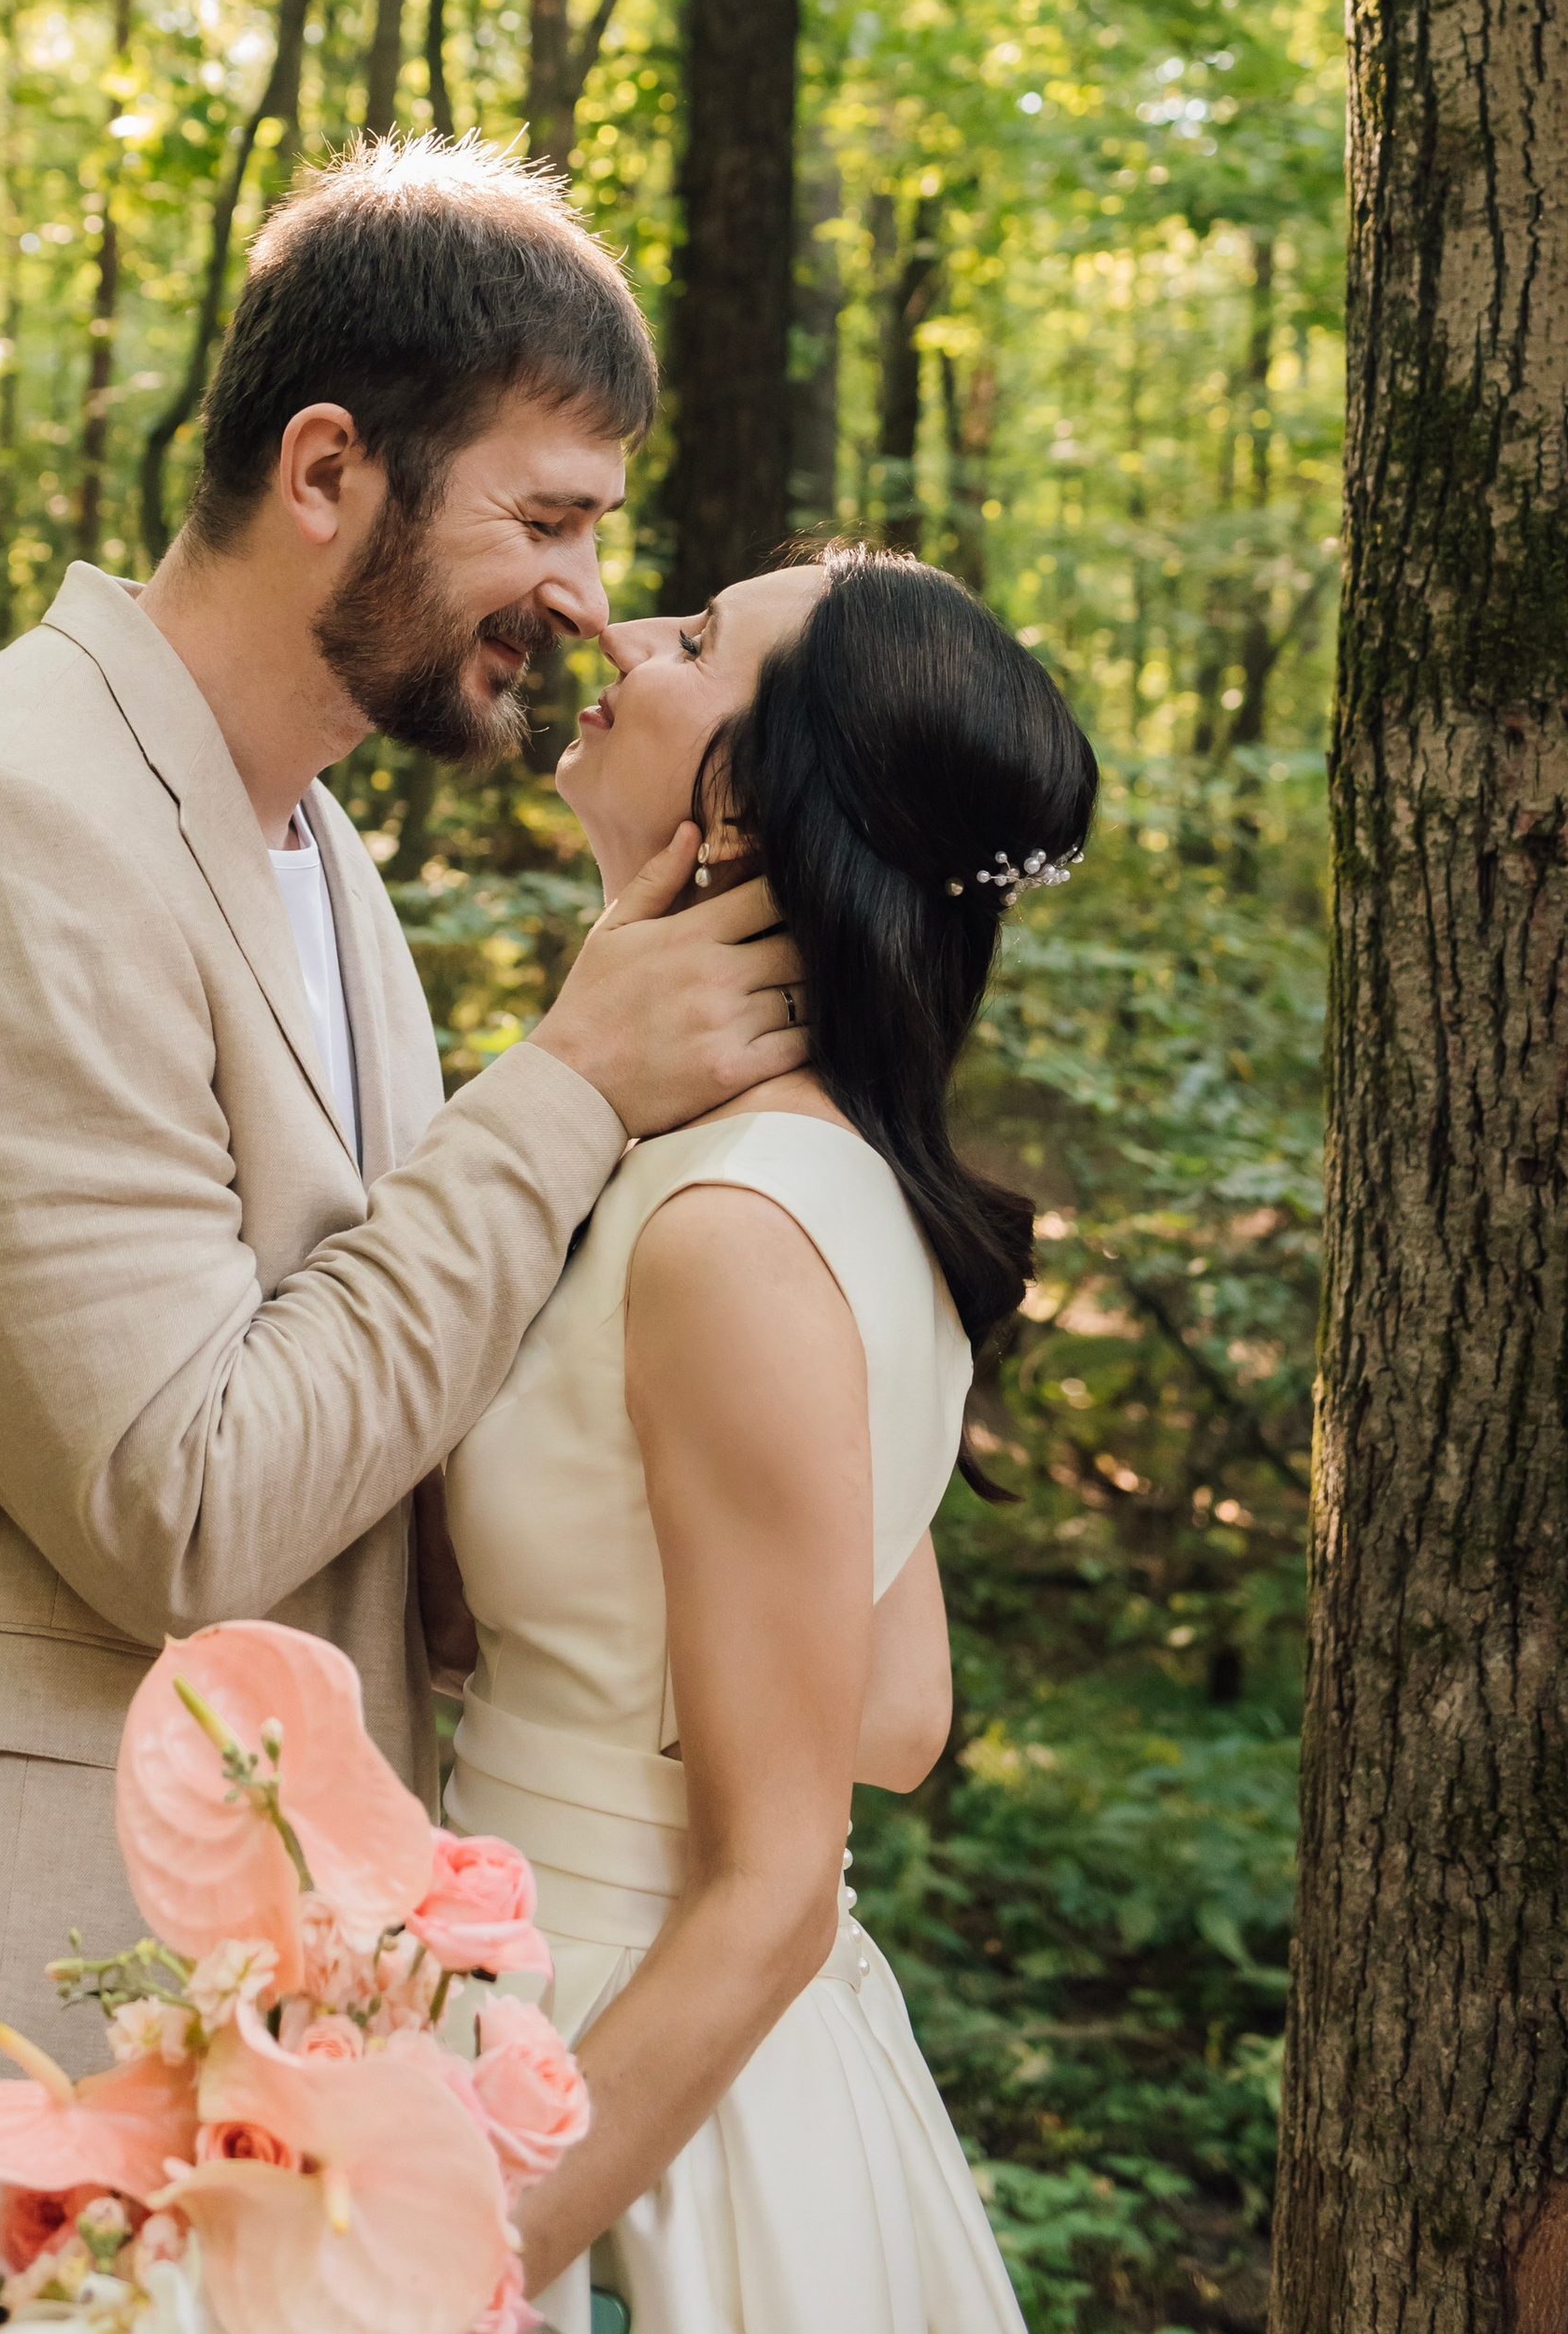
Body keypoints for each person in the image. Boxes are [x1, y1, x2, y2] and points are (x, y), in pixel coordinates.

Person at [0, 138, 809, 2334]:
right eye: (541, 518)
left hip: (189, 2164)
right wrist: (573, 1086)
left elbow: (378, 1430)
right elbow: (188, 1500)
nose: (587, 602)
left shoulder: (322, 864)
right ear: (328, 469)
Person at [436, 543, 1098, 2334]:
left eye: (698, 639)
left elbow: (780, 1883)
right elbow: (892, 1719)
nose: (619, 629)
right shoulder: (824, 1184)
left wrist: (439, 2267)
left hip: (597, 2082)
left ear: (745, 807)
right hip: (602, 2013)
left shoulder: (733, 1231)